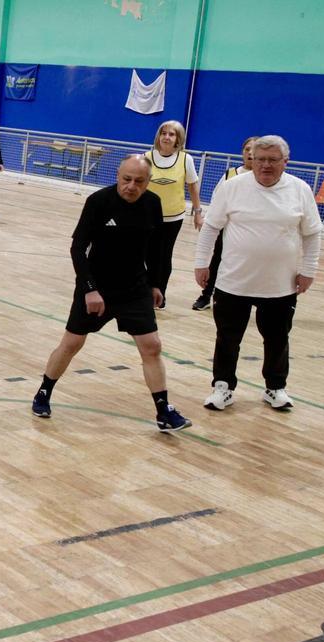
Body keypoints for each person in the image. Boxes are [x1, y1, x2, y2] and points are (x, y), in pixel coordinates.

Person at [31, 155, 193, 433]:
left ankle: (163, 411)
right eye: (126, 179)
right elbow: (78, 249)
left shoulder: (153, 204)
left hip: (134, 288)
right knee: (71, 344)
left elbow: (156, 250)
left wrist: (155, 284)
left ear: (148, 181)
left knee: (152, 346)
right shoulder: (98, 202)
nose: (131, 186)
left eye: (139, 181)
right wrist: (90, 289)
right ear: (118, 176)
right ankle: (43, 392)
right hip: (96, 287)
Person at [194, 135, 322, 412]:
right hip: (233, 282)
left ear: (285, 162)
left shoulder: (300, 190)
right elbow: (211, 228)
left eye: (272, 160)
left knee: (278, 338)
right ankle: (222, 387)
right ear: (251, 159)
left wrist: (308, 270)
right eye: (259, 159)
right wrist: (201, 263)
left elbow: (312, 234)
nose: (265, 165)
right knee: (227, 338)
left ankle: (275, 387)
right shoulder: (232, 187)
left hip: (281, 285)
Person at [144, 119, 204, 307]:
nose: (166, 137)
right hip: (148, 216)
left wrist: (197, 212)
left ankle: (160, 294)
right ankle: (147, 290)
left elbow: (193, 186)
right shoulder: (147, 157)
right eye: (164, 133)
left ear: (178, 138)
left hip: (173, 216)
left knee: (163, 255)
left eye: (171, 134)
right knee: (147, 254)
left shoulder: (186, 159)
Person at [192, 137, 255, 311]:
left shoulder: (263, 178)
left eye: (254, 149)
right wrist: (210, 218)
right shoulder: (230, 174)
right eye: (247, 149)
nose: (250, 153)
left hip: (250, 231)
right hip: (228, 228)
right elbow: (216, 197)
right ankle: (206, 295)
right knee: (217, 259)